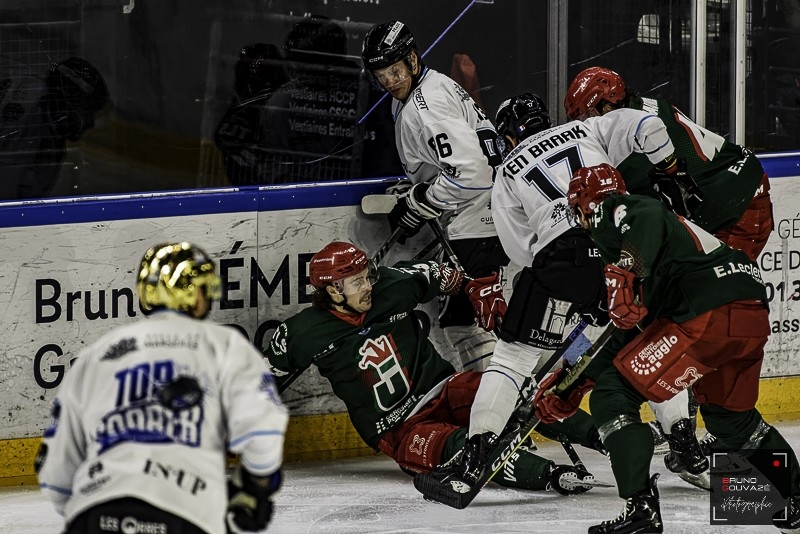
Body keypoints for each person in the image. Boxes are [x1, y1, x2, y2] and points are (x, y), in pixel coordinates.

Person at [423, 92, 707, 492]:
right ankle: (684, 441)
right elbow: (649, 126)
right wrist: (672, 169)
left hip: (560, 258)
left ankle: (477, 453)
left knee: (513, 357)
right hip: (622, 247)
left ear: (506, 138)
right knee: (648, 342)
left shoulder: (507, 171)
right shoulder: (586, 128)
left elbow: (519, 248)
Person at [536, 163, 800, 533]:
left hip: (706, 312)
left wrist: (624, 270)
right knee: (730, 421)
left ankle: (641, 511)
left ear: (583, 206)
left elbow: (644, 213)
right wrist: (576, 382)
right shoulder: (663, 249)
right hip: (748, 316)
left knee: (613, 396)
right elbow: (633, 334)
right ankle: (793, 502)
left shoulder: (616, 212)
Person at [564, 65, 776, 480]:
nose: (590, 129)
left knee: (700, 322)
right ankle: (764, 481)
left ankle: (692, 441)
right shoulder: (637, 119)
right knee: (709, 342)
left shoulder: (637, 131)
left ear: (607, 103)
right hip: (731, 209)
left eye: (590, 117)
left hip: (738, 211)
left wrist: (626, 278)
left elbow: (654, 220)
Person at [263, 240, 602, 496]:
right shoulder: (300, 334)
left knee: (511, 394)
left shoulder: (392, 285)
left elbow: (444, 276)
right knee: (458, 449)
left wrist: (474, 289)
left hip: (445, 390)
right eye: (356, 282)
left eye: (366, 276)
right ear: (332, 290)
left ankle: (604, 435)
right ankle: (551, 476)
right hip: (397, 430)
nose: (367, 285)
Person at [35, 242, 288, 534]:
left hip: (93, 515)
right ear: (197, 296)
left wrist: (88, 505)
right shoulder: (225, 345)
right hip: (186, 513)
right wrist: (256, 486)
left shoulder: (98, 353)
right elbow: (263, 430)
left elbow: (55, 472)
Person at [361, 20, 508, 372]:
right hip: (486, 217)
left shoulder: (424, 107)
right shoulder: (433, 84)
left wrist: (422, 199)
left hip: (477, 223)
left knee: (464, 324)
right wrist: (420, 193)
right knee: (470, 321)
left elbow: (472, 173)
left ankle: (494, 408)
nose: (388, 82)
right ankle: (495, 403)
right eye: (380, 76)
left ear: (412, 59)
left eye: (394, 71)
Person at [0, 57, 110, 200]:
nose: (89, 124)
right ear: (65, 113)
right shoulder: (31, 131)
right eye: (88, 114)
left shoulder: (44, 127)